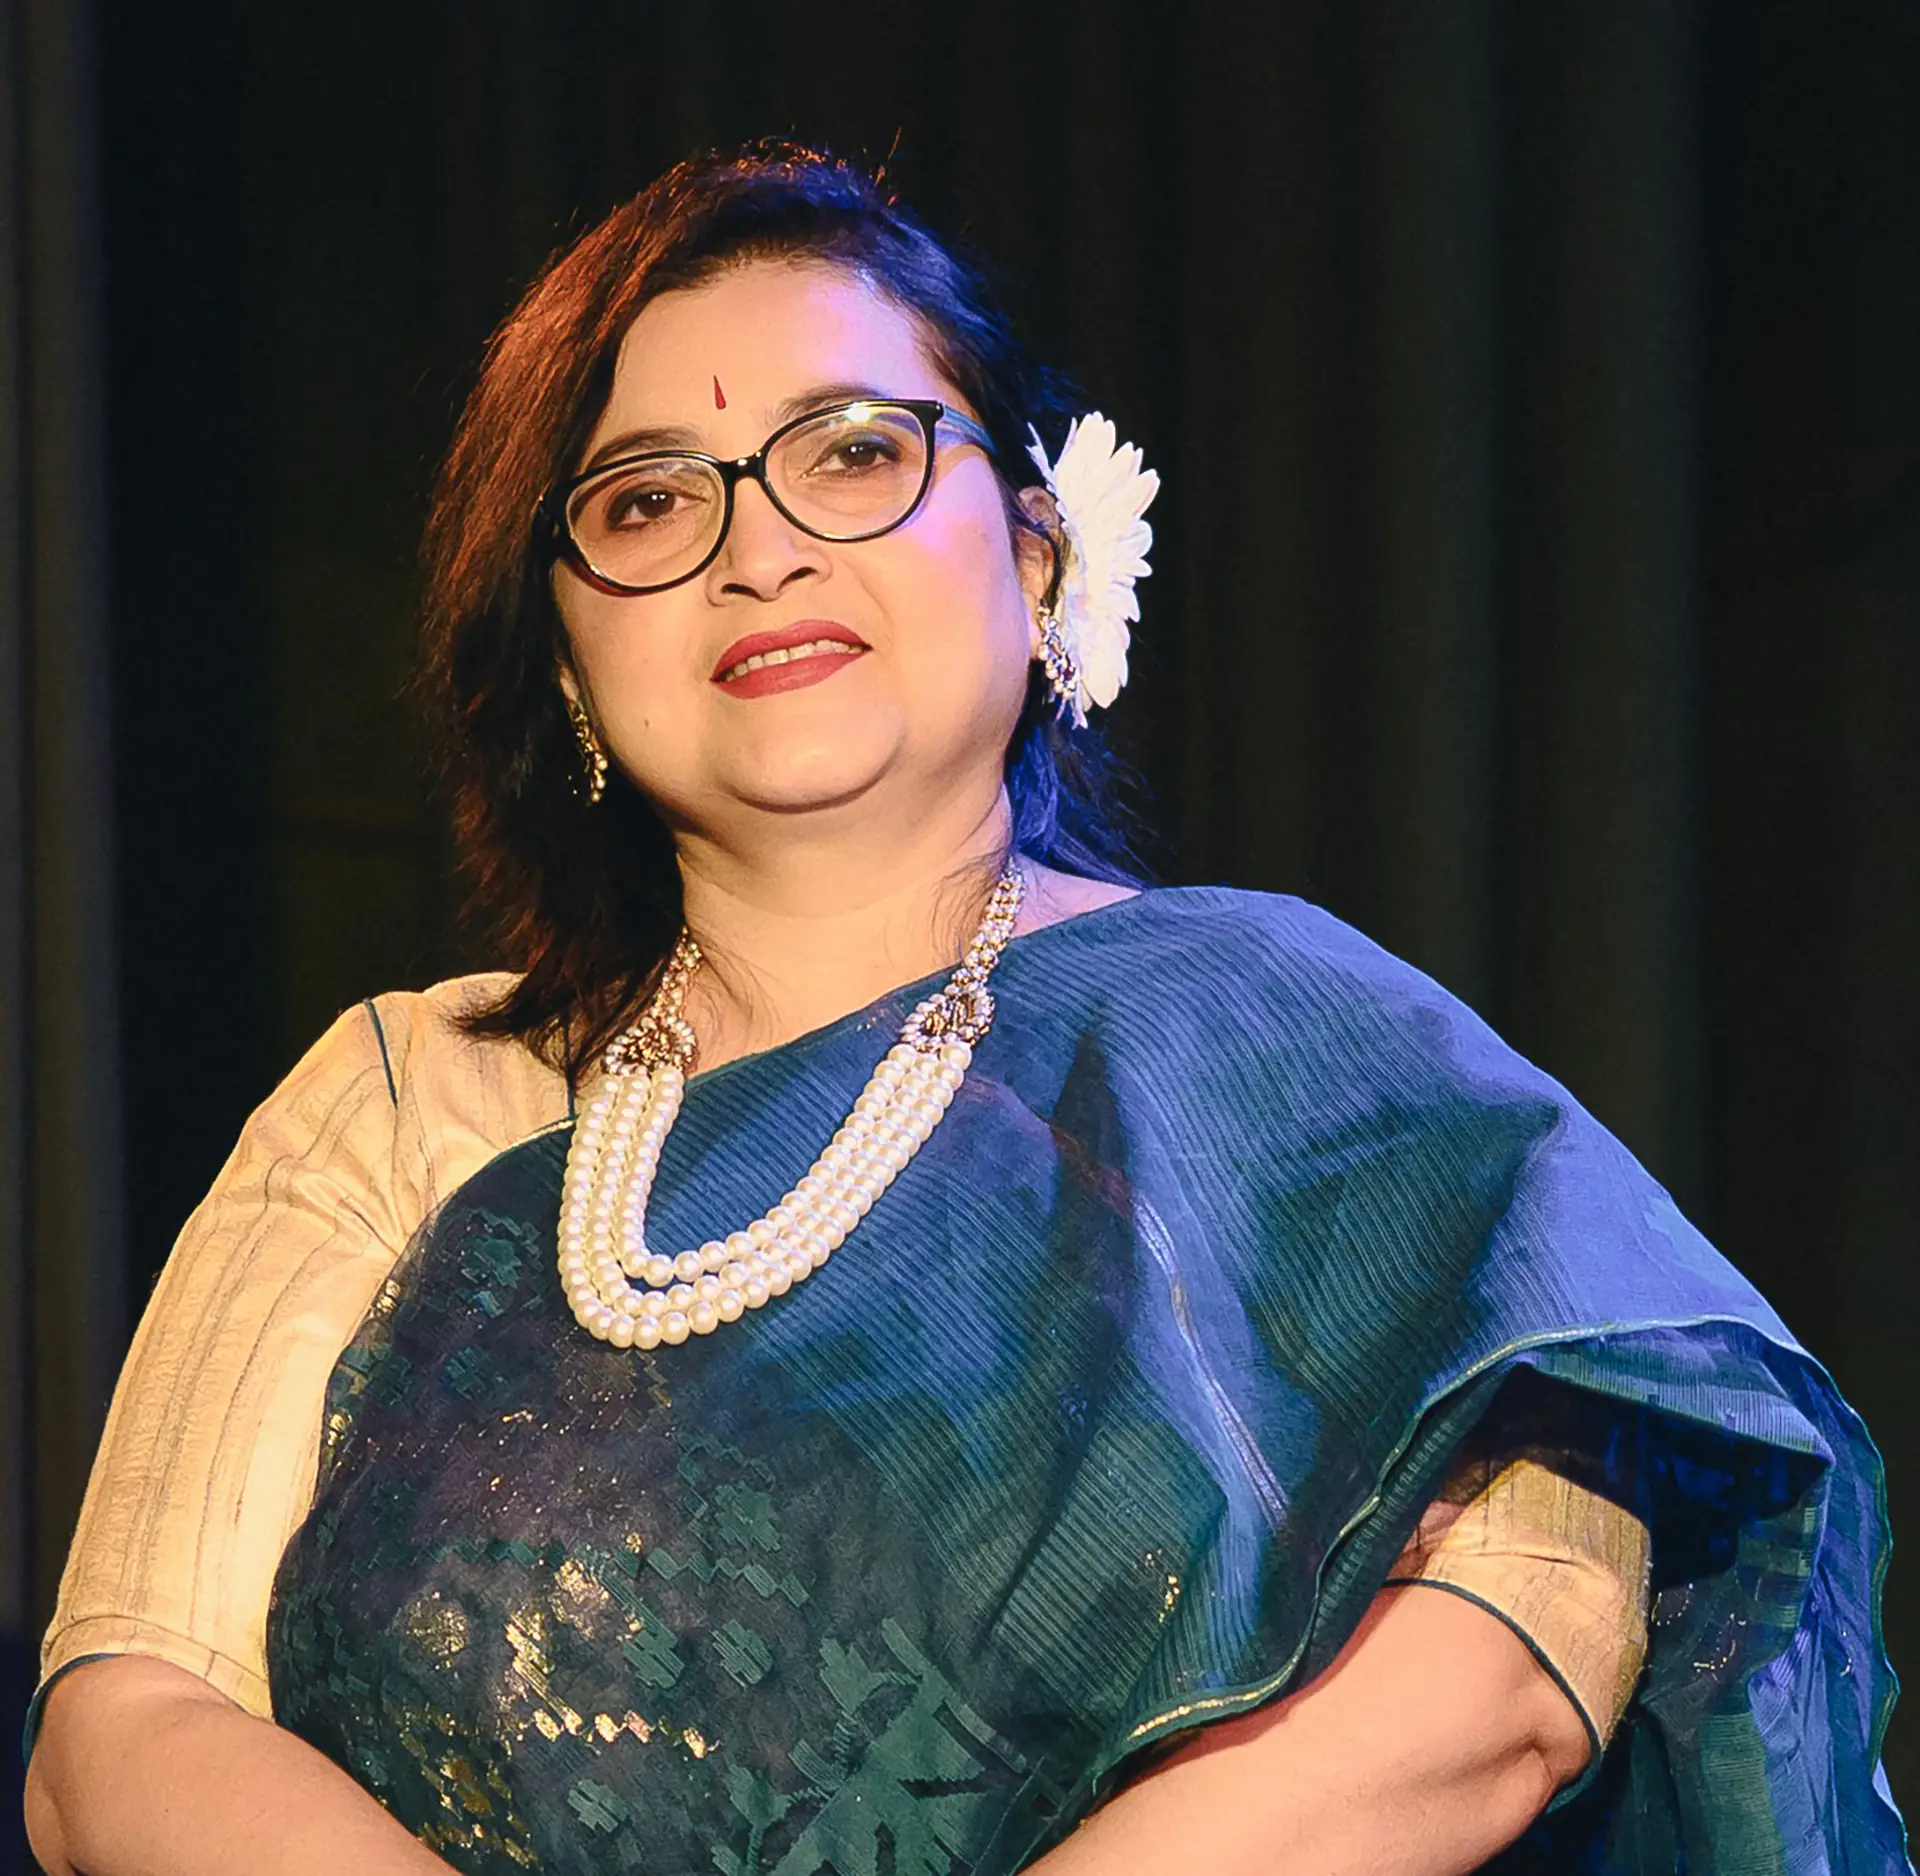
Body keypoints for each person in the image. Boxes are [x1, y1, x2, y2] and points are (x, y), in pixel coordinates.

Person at [22, 141, 1906, 1876]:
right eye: (647, 501)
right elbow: (120, 1726)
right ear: (571, 669)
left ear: (1033, 551)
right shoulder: (406, 1104)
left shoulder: (1284, 1050)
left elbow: (1512, 1655)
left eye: (853, 453)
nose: (758, 547)